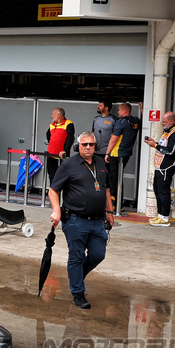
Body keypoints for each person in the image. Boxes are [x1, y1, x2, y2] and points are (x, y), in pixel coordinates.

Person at [48, 133, 114, 310]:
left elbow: (106, 188)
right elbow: (53, 190)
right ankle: (78, 293)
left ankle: (75, 277)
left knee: (98, 254)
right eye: (84, 144)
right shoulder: (69, 165)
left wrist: (109, 211)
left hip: (97, 220)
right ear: (78, 146)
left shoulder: (100, 163)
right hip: (76, 220)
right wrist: (56, 211)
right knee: (76, 257)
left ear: (95, 146)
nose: (88, 147)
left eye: (91, 144)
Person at [143, 112, 175, 227]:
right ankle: (160, 215)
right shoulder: (167, 132)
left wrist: (154, 145)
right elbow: (163, 146)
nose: (162, 123)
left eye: (164, 122)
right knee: (157, 190)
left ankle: (165, 217)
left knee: (164, 192)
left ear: (171, 121)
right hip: (159, 167)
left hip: (167, 168)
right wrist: (154, 142)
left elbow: (171, 151)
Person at [105, 102, 140, 212]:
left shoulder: (121, 122)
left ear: (125, 111)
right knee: (118, 178)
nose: (118, 112)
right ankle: (118, 204)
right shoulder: (136, 121)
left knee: (113, 179)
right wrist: (143, 109)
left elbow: (114, 139)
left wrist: (107, 153)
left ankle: (115, 205)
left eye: (119, 110)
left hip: (116, 153)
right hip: (127, 153)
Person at [44, 107, 74, 183]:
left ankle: (62, 195)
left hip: (62, 157)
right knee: (52, 177)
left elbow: (70, 138)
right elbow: (48, 135)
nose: (51, 116)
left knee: (63, 179)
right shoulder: (52, 125)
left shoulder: (68, 124)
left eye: (53, 114)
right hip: (51, 156)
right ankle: (53, 194)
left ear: (59, 115)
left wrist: (65, 151)